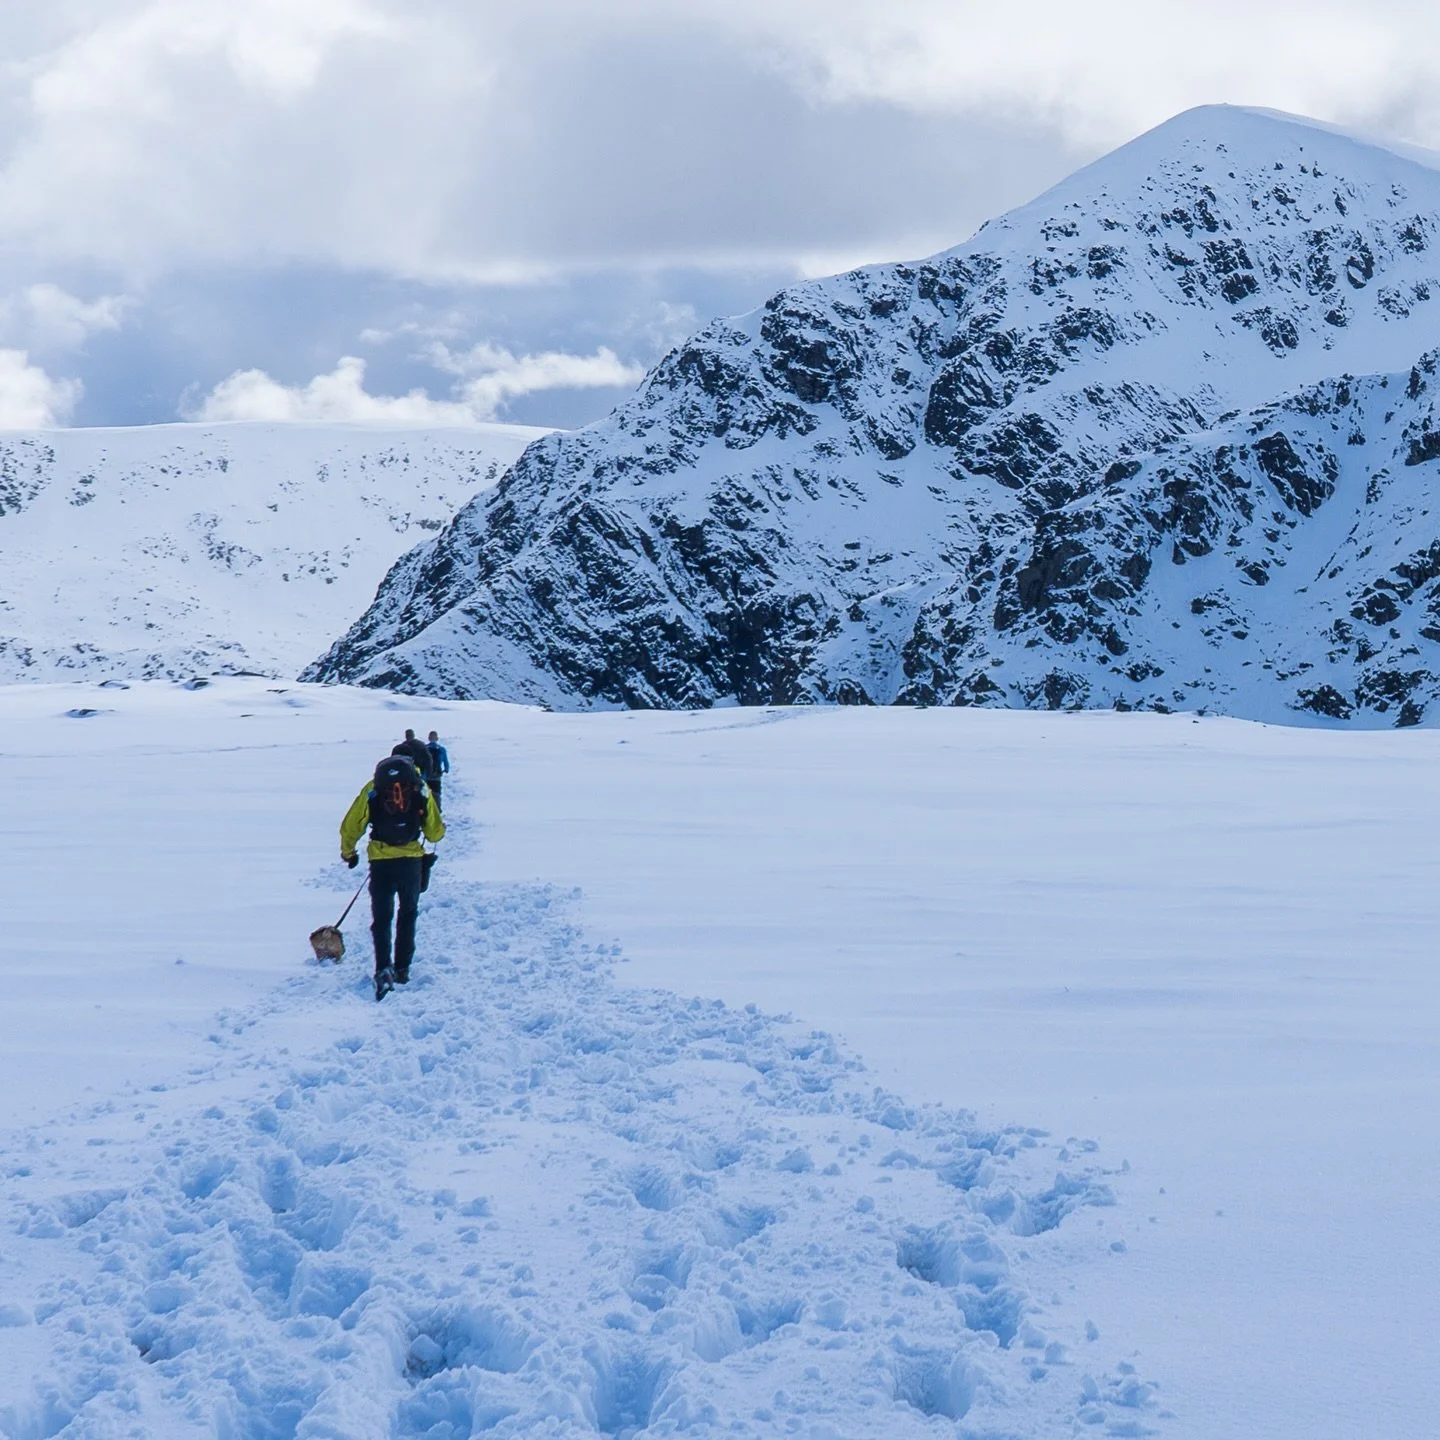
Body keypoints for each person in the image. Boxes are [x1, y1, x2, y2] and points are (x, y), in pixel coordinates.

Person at [339, 753, 445, 1001]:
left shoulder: (374, 787)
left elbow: (352, 823)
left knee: (382, 918)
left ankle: (382, 968)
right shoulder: (419, 786)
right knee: (408, 914)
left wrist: (349, 852)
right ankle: (402, 968)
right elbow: (434, 832)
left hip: (381, 861)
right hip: (411, 862)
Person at [426, 730, 450, 808]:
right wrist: (446, 769)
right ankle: (438, 811)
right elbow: (445, 761)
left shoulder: (425, 749)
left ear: (429, 738)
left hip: (427, 776)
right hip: (437, 776)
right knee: (437, 794)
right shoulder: (441, 749)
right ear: (437, 738)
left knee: (426, 795)